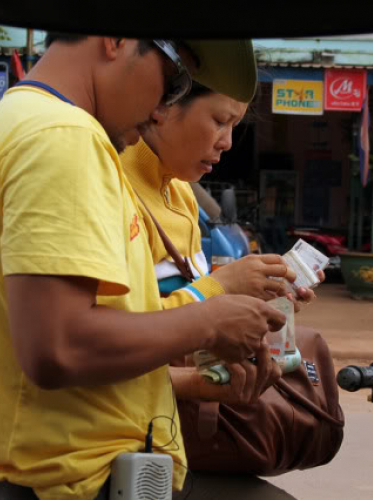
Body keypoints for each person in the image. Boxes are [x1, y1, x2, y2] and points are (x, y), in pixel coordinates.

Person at [0, 34, 286, 500]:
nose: (158, 111)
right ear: (117, 38)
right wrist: (209, 319)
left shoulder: (18, 122)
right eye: (171, 82)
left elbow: (80, 349)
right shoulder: (62, 137)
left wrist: (197, 379)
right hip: (73, 485)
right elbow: (59, 347)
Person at [120, 82, 325, 499]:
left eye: (234, 125)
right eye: (219, 120)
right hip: (128, 443)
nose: (227, 142)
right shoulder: (114, 188)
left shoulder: (179, 191)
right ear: (162, 107)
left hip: (172, 438)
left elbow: (194, 318)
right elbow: (113, 338)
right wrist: (221, 286)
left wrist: (259, 301)